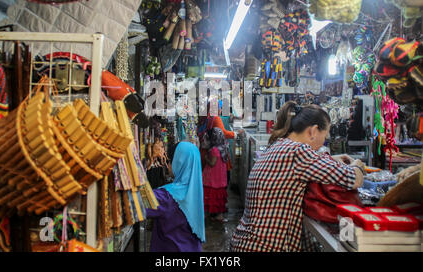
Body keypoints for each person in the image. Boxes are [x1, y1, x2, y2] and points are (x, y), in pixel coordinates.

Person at [230, 101, 365, 252]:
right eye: (324, 136)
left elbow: (309, 162)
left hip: (245, 242)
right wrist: (358, 165)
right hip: (266, 247)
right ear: (313, 131)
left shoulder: (279, 145)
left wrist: (332, 159)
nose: (323, 142)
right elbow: (353, 179)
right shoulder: (299, 151)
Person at [145, 141, 206, 251]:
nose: (168, 165)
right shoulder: (196, 192)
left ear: (179, 162)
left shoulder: (167, 197)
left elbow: (137, 204)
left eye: (169, 161)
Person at [202, 127, 230, 223]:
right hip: (220, 179)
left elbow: (212, 163)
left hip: (213, 178)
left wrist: (206, 158)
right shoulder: (224, 147)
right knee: (218, 198)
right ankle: (219, 215)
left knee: (211, 196)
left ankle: (210, 215)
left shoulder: (214, 150)